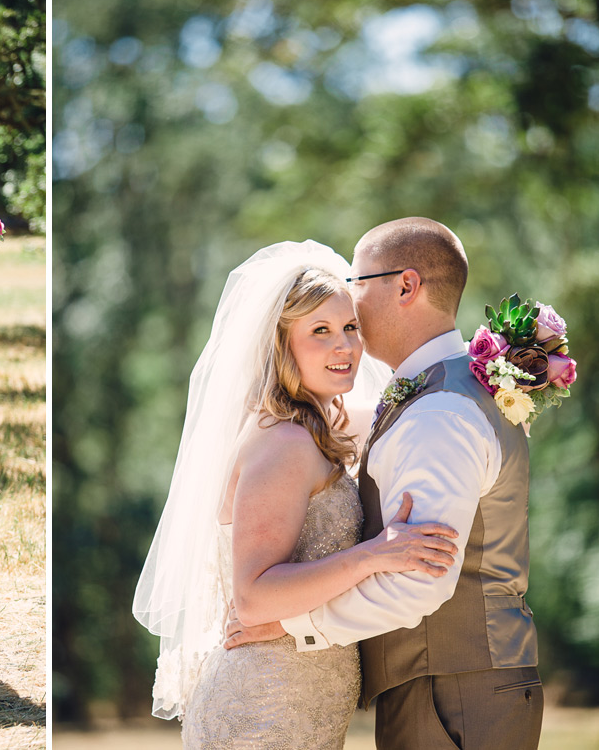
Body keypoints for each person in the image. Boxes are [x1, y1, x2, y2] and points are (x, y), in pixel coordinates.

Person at [228, 218, 543, 750]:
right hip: (448, 685)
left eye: (357, 283)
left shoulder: (439, 412)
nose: (351, 305)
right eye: (321, 328)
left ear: (405, 285)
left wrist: (295, 626)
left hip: (452, 692)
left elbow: (421, 578)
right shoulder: (442, 393)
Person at [134, 241, 460, 748]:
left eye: (351, 327)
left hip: (301, 702)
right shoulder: (283, 443)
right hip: (263, 709)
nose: (345, 347)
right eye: (320, 332)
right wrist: (372, 555)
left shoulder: (320, 426)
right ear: (282, 345)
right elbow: (254, 595)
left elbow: (405, 411)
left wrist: (501, 371)